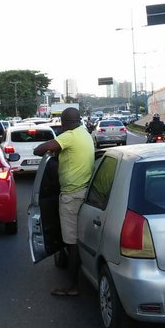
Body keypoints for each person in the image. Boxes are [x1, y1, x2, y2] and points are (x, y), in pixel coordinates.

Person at [33, 107, 94, 297]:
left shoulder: (70, 136)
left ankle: (73, 286)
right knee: (78, 239)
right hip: (84, 192)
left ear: (64, 123)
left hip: (71, 196)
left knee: (71, 241)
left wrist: (56, 145)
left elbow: (39, 150)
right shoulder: (85, 134)